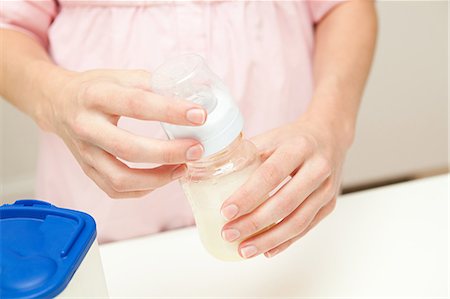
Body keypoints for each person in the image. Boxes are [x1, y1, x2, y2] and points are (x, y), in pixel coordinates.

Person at [0, 0, 377, 259]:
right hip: (104, 228)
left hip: (283, 214)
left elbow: (343, 5)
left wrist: (330, 125)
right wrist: (55, 96)